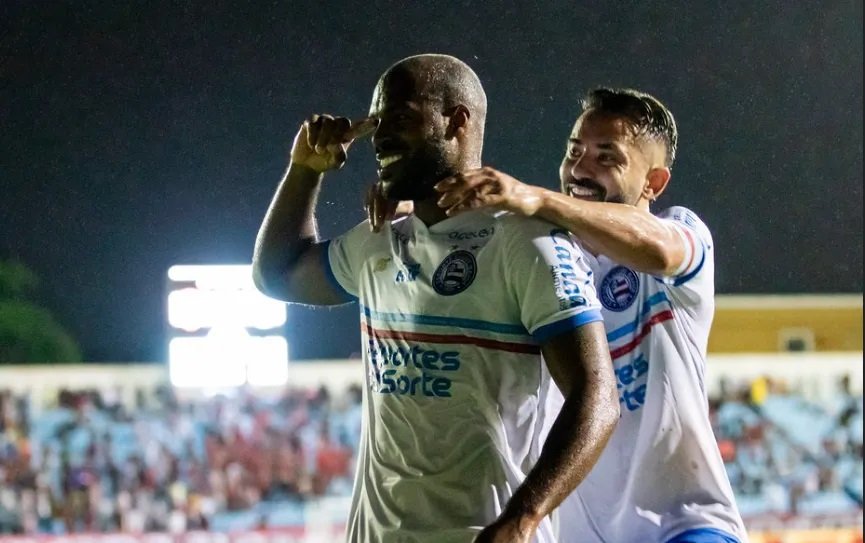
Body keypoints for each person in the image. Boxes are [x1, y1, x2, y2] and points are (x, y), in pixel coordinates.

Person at [252, 54, 619, 543]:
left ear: (457, 121)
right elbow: (276, 275)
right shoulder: (378, 239)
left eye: (399, 120)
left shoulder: (526, 242)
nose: (379, 138)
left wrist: (522, 518)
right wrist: (305, 170)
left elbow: (597, 396)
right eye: (377, 123)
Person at [370, 87, 748, 542]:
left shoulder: (682, 236)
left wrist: (533, 198)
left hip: (682, 525)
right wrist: (417, 205)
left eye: (606, 157)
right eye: (574, 151)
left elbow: (662, 249)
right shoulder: (544, 257)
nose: (579, 168)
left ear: (654, 182)